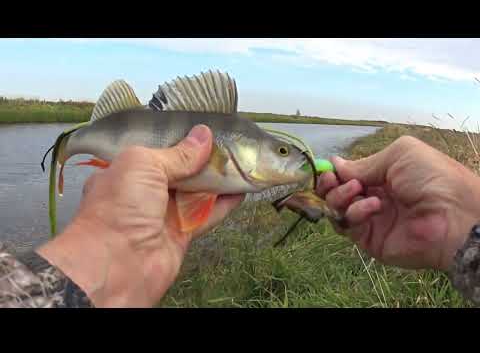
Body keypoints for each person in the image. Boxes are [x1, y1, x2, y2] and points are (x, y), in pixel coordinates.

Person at [1, 125, 479, 307]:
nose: (294, 161)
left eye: (292, 153)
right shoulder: (209, 153)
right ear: (234, 147)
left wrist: (459, 227)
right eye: (282, 151)